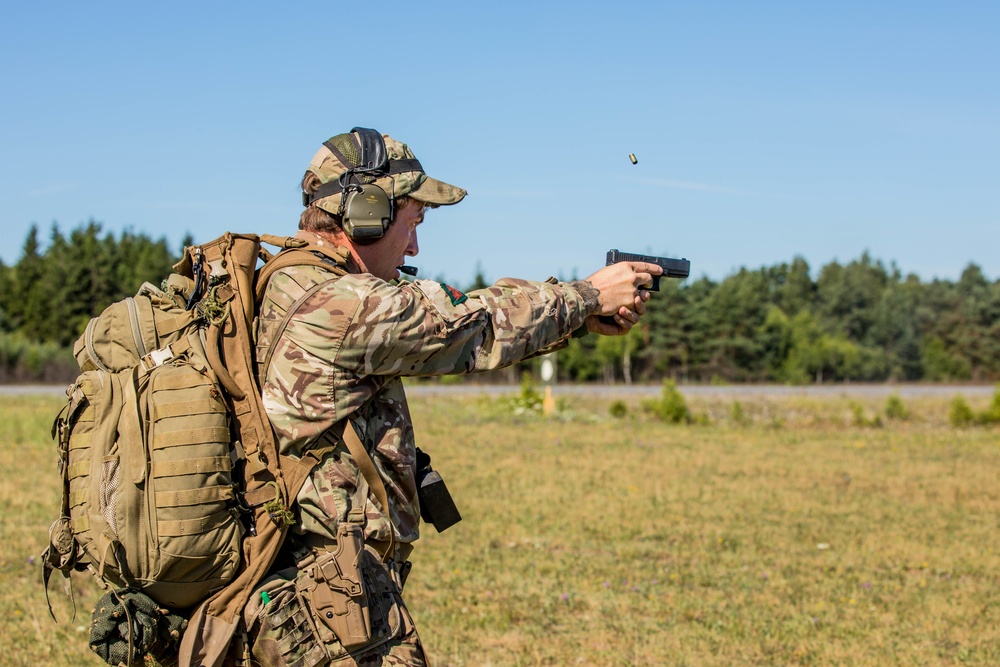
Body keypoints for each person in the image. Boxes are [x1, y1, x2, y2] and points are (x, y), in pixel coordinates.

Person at [245, 128, 662, 666]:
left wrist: (580, 318)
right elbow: (470, 324)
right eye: (413, 222)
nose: (414, 246)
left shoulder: (285, 284)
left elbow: (458, 319)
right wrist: (588, 296)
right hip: (328, 602)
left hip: (295, 584)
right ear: (367, 212)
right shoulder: (338, 304)